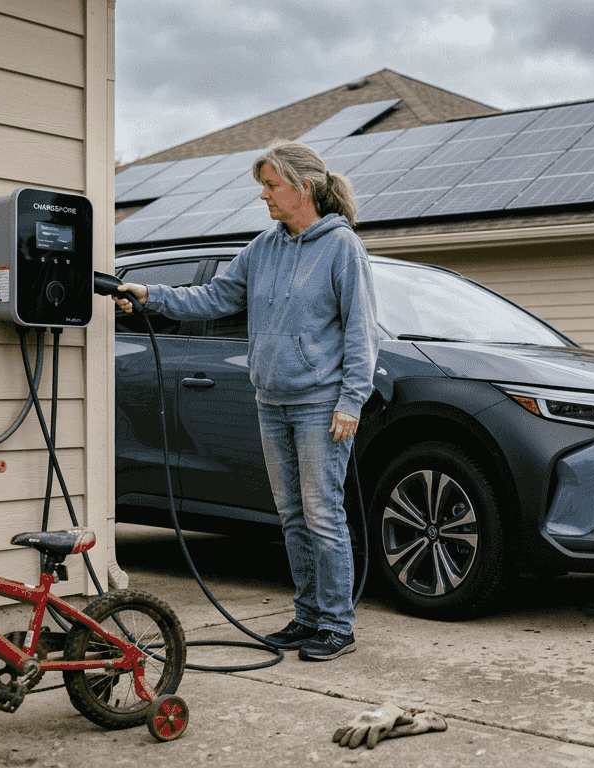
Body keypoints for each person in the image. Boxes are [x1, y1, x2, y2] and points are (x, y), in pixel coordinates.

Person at [113, 140, 377, 661]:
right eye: (263, 186)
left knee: (322, 514)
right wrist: (152, 295)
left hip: (320, 404)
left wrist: (351, 401)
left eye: (272, 185)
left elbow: (361, 331)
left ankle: (336, 626)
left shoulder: (342, 247)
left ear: (303, 188)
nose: (264, 196)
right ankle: (307, 617)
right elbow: (214, 296)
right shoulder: (264, 247)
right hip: (271, 400)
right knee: (292, 516)